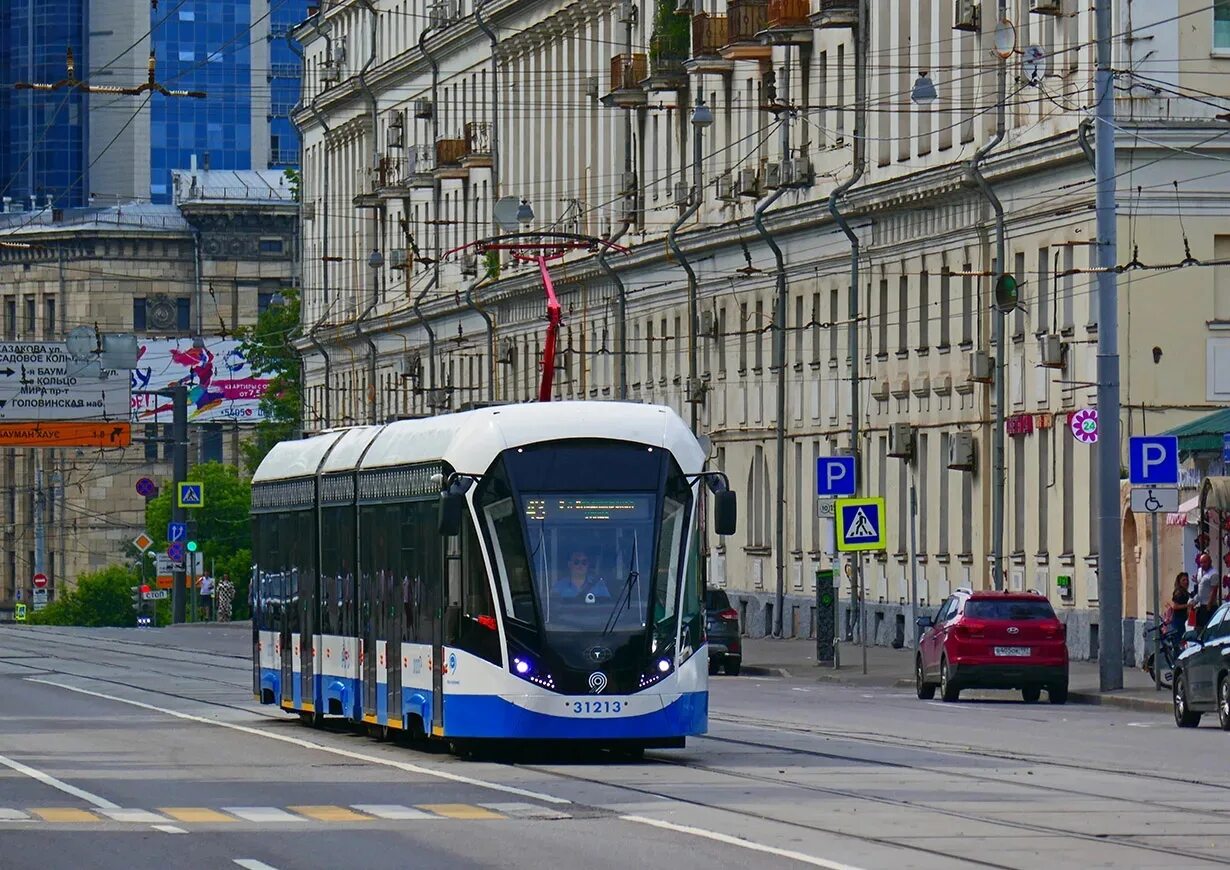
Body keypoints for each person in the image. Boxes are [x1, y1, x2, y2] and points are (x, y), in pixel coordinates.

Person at [1166, 572, 1190, 655]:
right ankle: (1177, 663)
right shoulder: (1178, 592)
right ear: (1179, 582)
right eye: (1183, 580)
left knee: (1181, 642)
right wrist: (1188, 605)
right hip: (1178, 620)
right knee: (1178, 642)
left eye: (1187, 580)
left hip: (1183, 620)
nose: (1186, 582)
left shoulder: (1185, 592)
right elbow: (1175, 606)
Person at [1194, 553, 1218, 631]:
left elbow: (1214, 590)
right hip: (1200, 604)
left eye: (1205, 562)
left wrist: (1209, 605)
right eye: (1201, 562)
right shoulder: (1200, 571)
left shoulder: (1214, 573)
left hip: (1209, 606)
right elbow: (1200, 585)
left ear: (1210, 562)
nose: (1203, 564)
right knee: (1198, 628)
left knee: (1208, 629)